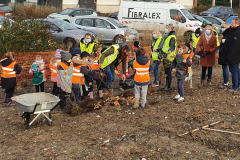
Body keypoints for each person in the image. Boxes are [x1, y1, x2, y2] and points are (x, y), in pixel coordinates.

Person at [220, 18, 240, 93]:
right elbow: (225, 33)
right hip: (233, 55)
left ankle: (235, 87)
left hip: (234, 56)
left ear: (237, 24)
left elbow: (234, 47)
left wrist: (229, 56)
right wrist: (229, 28)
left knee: (234, 70)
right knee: (236, 69)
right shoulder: (232, 30)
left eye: (233, 23)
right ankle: (237, 84)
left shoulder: (237, 33)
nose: (231, 24)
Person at [161, 24, 177, 91]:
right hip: (166, 56)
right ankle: (167, 85)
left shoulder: (172, 36)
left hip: (169, 57)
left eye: (167, 28)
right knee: (167, 72)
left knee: (168, 72)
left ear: (170, 29)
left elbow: (172, 45)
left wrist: (171, 50)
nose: (166, 29)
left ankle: (168, 86)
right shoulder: (169, 35)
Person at [218, 23, 231, 89]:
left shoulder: (227, 36)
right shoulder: (226, 35)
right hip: (224, 54)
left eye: (223, 27)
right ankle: (226, 81)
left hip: (225, 55)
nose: (222, 28)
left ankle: (226, 82)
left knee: (225, 68)